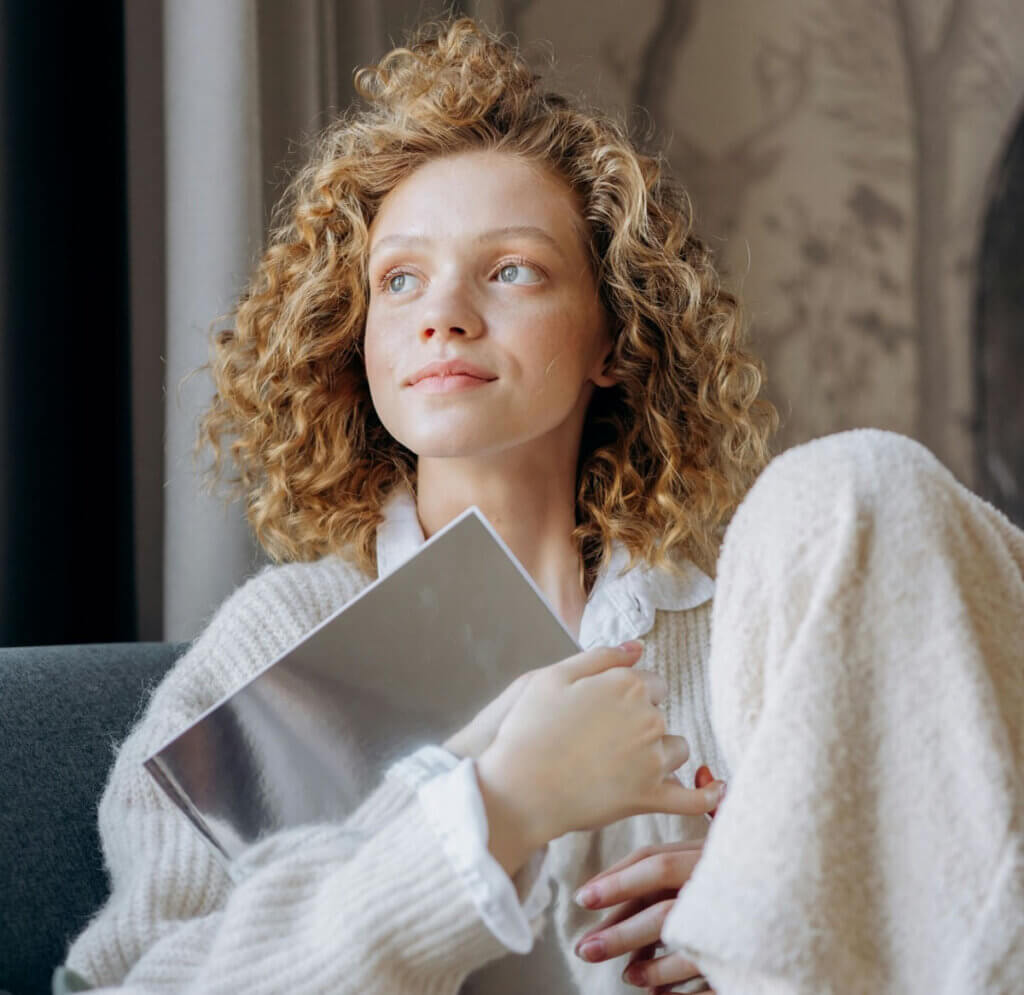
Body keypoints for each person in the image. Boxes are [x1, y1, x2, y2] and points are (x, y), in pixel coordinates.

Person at [58, 13, 1024, 995]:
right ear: (356, 342)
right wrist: (492, 808)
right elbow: (137, 980)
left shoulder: (768, 613)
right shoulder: (276, 645)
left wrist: (782, 902)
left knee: (855, 484)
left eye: (511, 269)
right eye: (399, 280)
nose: (444, 311)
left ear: (616, 336)